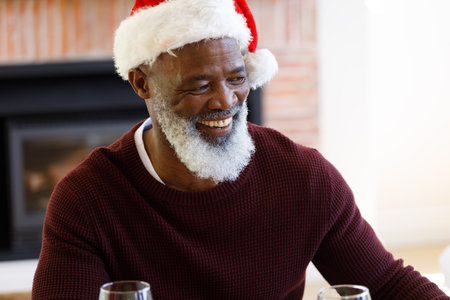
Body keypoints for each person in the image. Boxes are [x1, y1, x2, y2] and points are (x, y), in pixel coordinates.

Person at [32, 0, 449, 299]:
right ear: (142, 83)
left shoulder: (304, 177)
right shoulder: (86, 200)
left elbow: (388, 284)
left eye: (236, 78)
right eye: (199, 85)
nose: (225, 101)